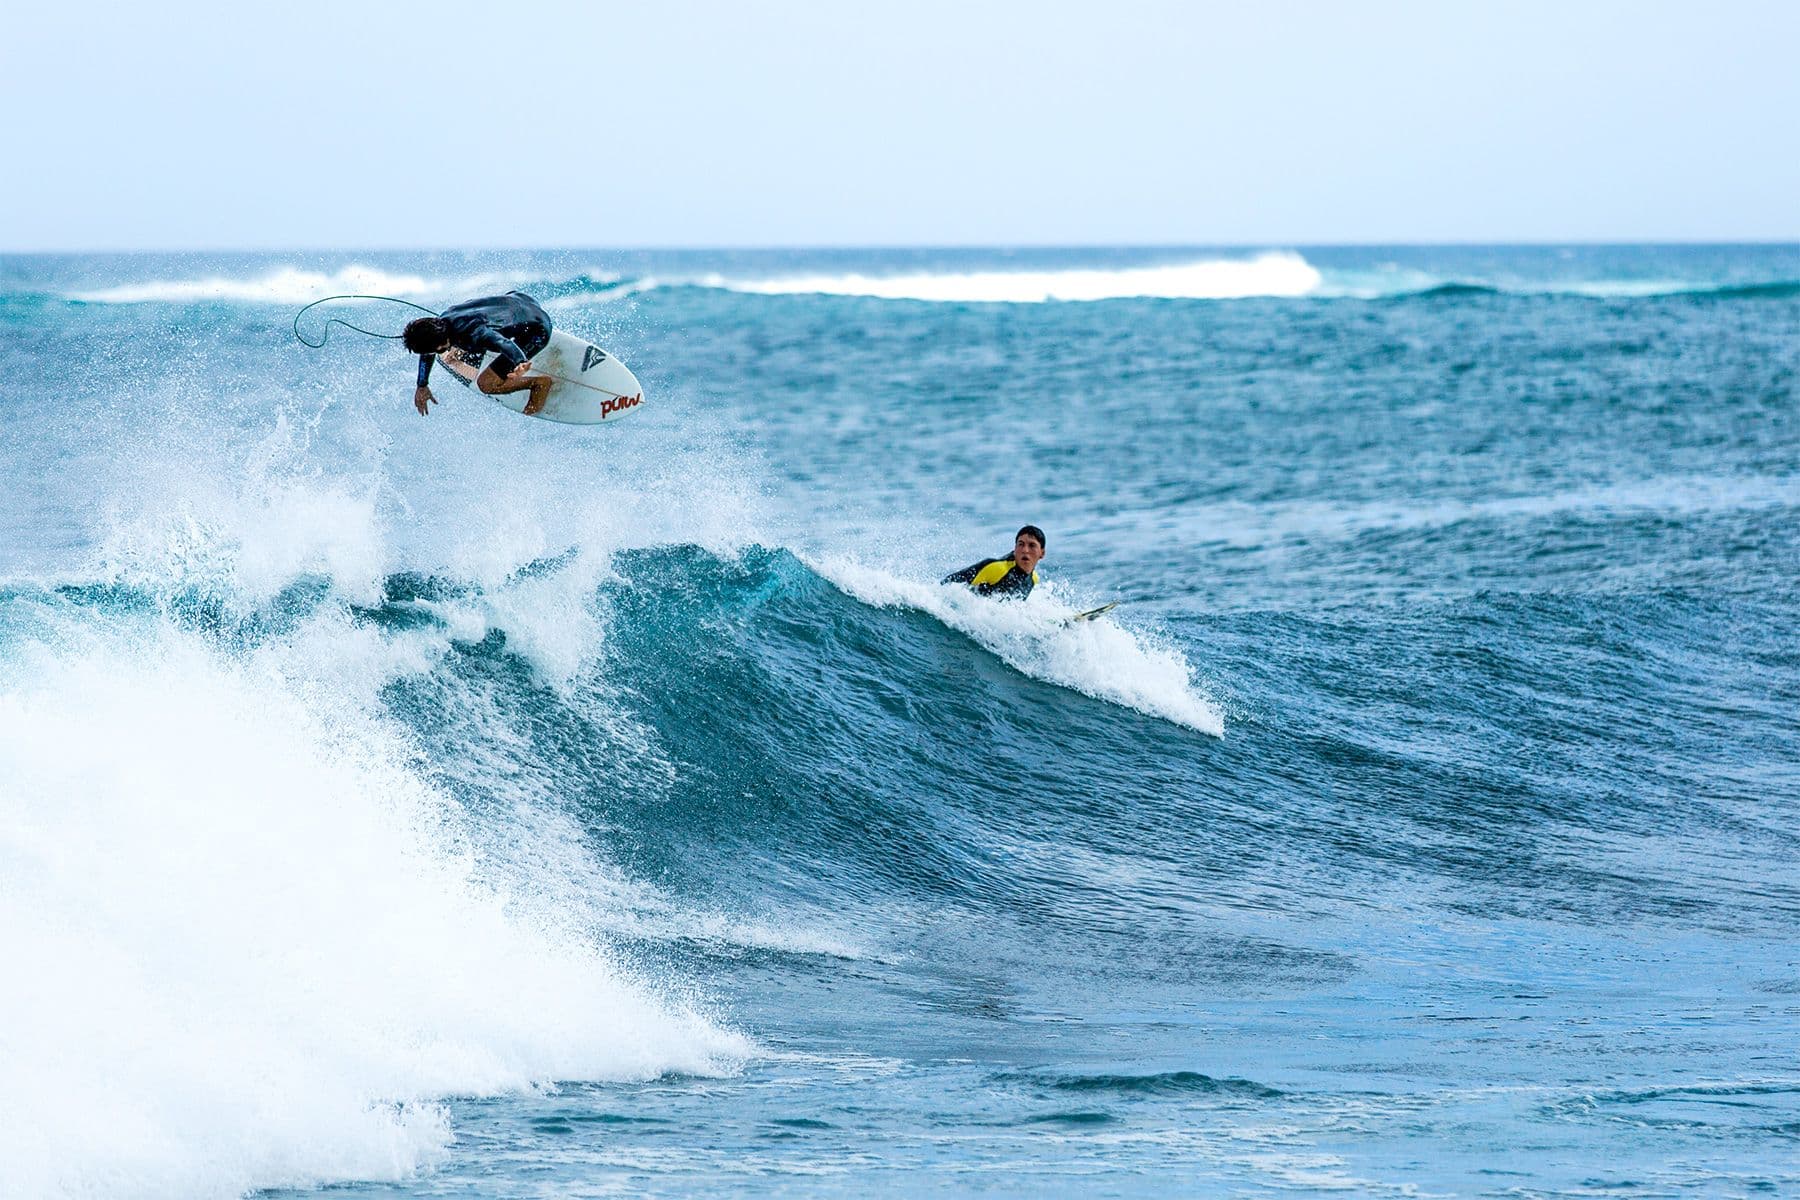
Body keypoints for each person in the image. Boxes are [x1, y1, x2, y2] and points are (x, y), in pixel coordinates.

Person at [401, 291, 554, 417]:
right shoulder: (444, 318)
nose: (438, 353)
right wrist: (422, 385)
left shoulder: (475, 333)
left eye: (439, 350)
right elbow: (429, 349)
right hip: (522, 301)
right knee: (461, 349)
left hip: (537, 332)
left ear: (439, 343)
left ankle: (539, 383)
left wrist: (520, 362)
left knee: (486, 384)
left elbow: (503, 343)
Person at [942, 525, 1046, 599]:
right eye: (1021, 544)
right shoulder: (997, 569)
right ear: (1015, 549)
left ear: (1042, 553)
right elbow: (954, 589)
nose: (1025, 550)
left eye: (1032, 545)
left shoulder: (1033, 579)